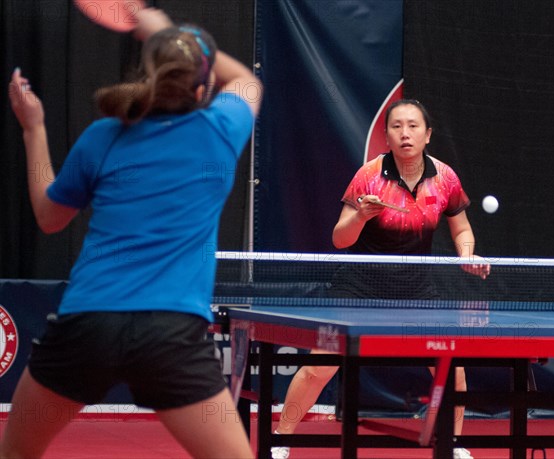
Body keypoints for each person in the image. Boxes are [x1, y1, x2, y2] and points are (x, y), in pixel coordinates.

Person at [2, 7, 261, 459]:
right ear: (202, 89)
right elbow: (246, 80)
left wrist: (33, 128)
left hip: (87, 327)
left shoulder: (105, 135)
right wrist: (168, 32)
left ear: (148, 73)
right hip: (170, 335)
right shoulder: (219, 130)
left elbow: (49, 217)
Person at [271, 99, 489, 459]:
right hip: (359, 283)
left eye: (413, 126)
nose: (405, 133)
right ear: (386, 136)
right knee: (317, 369)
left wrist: (467, 254)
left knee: (453, 370)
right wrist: (360, 216)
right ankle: (282, 437)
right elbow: (339, 240)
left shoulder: (445, 178)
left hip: (416, 286)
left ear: (428, 134)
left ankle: (451, 444)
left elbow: (461, 229)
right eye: (397, 126)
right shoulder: (369, 176)